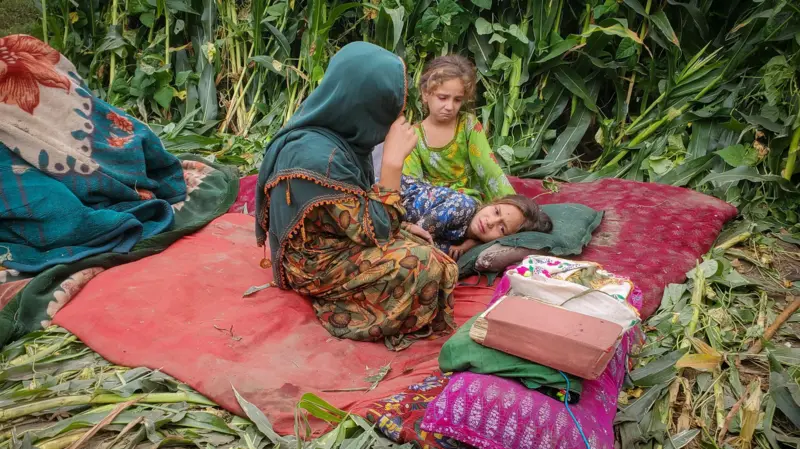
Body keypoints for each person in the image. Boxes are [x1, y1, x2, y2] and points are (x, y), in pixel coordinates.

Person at [255, 42, 458, 351]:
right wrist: (392, 164)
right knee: (423, 265)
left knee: (432, 252)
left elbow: (363, 213)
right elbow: (376, 230)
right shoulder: (317, 157)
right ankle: (344, 310)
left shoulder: (343, 134)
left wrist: (400, 228)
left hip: (341, 236)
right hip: (312, 266)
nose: (392, 120)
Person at [403, 55, 515, 203]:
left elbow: (489, 169)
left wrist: (512, 203)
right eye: (442, 97)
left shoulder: (468, 125)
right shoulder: (413, 135)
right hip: (434, 204)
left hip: (470, 200)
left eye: (457, 100)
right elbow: (412, 183)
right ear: (425, 94)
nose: (450, 107)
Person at [401, 176, 552, 260]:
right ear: (493, 202)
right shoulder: (462, 207)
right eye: (496, 211)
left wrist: (469, 245)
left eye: (502, 228)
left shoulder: (471, 242)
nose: (490, 222)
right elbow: (414, 240)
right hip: (391, 193)